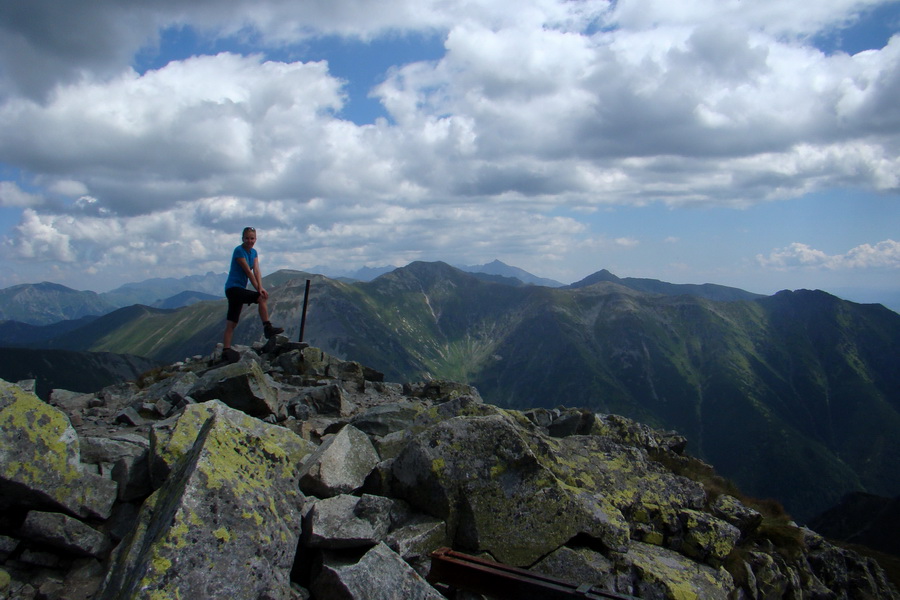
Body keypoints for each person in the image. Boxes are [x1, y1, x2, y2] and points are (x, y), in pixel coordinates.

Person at [221, 227, 283, 363]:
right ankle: (267, 327)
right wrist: (259, 290)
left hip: (234, 289)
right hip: (234, 288)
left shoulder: (253, 252)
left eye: (252, 238)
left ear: (255, 239)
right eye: (247, 238)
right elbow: (248, 273)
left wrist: (260, 287)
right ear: (242, 238)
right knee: (260, 298)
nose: (250, 241)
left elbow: (256, 270)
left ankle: (225, 351)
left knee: (232, 322)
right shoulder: (239, 251)